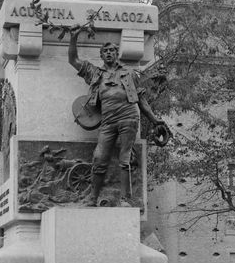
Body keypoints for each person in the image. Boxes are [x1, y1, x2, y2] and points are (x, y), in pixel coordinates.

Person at [68, 28, 167, 207]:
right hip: (107, 121)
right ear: (101, 55)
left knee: (125, 157)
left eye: (112, 50)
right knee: (99, 157)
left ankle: (125, 199)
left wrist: (154, 120)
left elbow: (141, 100)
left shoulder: (129, 74)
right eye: (105, 51)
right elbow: (73, 60)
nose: (108, 53)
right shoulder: (95, 73)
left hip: (128, 117)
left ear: (116, 54)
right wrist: (73, 37)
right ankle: (93, 197)